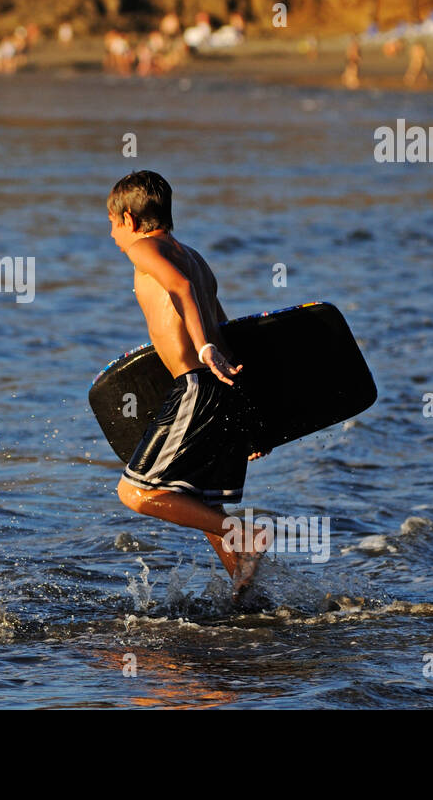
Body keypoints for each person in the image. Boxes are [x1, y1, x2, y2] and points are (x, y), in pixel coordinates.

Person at [106, 171, 273, 604]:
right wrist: (252, 419)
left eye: (111, 222)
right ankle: (249, 603)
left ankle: (248, 536)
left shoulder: (145, 248)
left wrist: (201, 350)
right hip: (221, 386)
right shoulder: (194, 257)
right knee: (199, 503)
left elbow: (179, 291)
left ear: (129, 217)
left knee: (136, 493)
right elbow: (224, 325)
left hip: (196, 383)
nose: (111, 234)